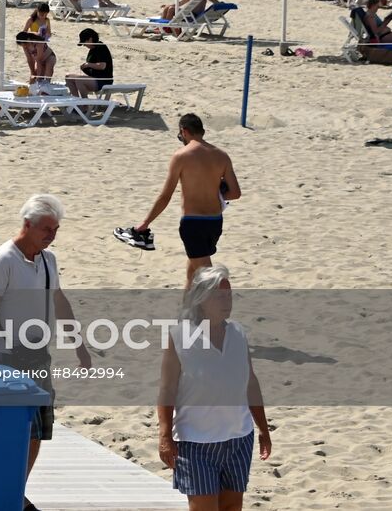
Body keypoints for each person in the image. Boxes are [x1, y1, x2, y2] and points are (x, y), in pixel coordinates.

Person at [0, 196, 92, 503]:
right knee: (7, 431)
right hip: (7, 358)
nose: (51, 235)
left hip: (39, 358)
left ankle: (16, 493)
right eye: (46, 229)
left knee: (37, 431)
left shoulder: (48, 260)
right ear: (27, 224)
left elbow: (60, 302)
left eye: (55, 229)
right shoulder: (3, 261)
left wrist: (79, 344)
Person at [158, 265, 272, 509]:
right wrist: (165, 436)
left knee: (232, 508)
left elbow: (250, 382)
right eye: (220, 296)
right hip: (195, 442)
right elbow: (167, 389)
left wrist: (263, 428)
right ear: (201, 299)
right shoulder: (179, 337)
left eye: (229, 295)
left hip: (238, 439)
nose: (227, 301)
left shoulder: (239, 333)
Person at [114, 113, 242, 285]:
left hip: (193, 223)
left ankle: (219, 310)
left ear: (184, 131)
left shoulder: (181, 156)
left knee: (209, 276)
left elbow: (165, 196)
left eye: (180, 135)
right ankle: (187, 310)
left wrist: (143, 225)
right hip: (215, 223)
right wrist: (214, 193)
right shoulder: (222, 156)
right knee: (193, 269)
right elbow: (235, 193)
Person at [65, 27, 113, 97]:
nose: (84, 45)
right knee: (68, 77)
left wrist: (88, 65)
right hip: (95, 79)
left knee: (80, 80)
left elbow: (102, 66)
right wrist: (84, 68)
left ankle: (84, 104)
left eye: (84, 42)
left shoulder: (101, 47)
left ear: (90, 39)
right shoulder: (92, 50)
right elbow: (92, 70)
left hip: (103, 81)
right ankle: (75, 100)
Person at [16, 2, 56, 82]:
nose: (43, 16)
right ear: (37, 11)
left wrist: (46, 36)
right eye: (41, 14)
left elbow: (49, 32)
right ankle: (33, 74)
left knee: (40, 62)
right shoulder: (31, 20)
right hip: (30, 40)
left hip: (40, 42)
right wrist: (34, 34)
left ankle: (38, 78)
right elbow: (25, 31)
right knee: (31, 60)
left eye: (45, 15)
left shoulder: (47, 20)